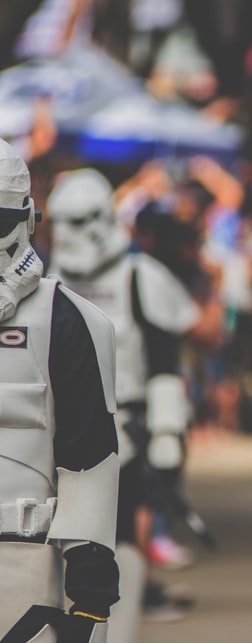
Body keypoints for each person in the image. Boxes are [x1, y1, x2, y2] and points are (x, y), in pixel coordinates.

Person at [46, 168, 201, 643]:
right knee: (54, 536)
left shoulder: (141, 279)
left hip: (126, 426)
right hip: (57, 426)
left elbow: (163, 363)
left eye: (80, 221)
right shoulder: (46, 283)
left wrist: (167, 431)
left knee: (123, 537)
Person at [0, 139, 120, 643]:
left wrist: (91, 596)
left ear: (27, 218)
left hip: (23, 559)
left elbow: (88, 454)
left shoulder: (63, 318)